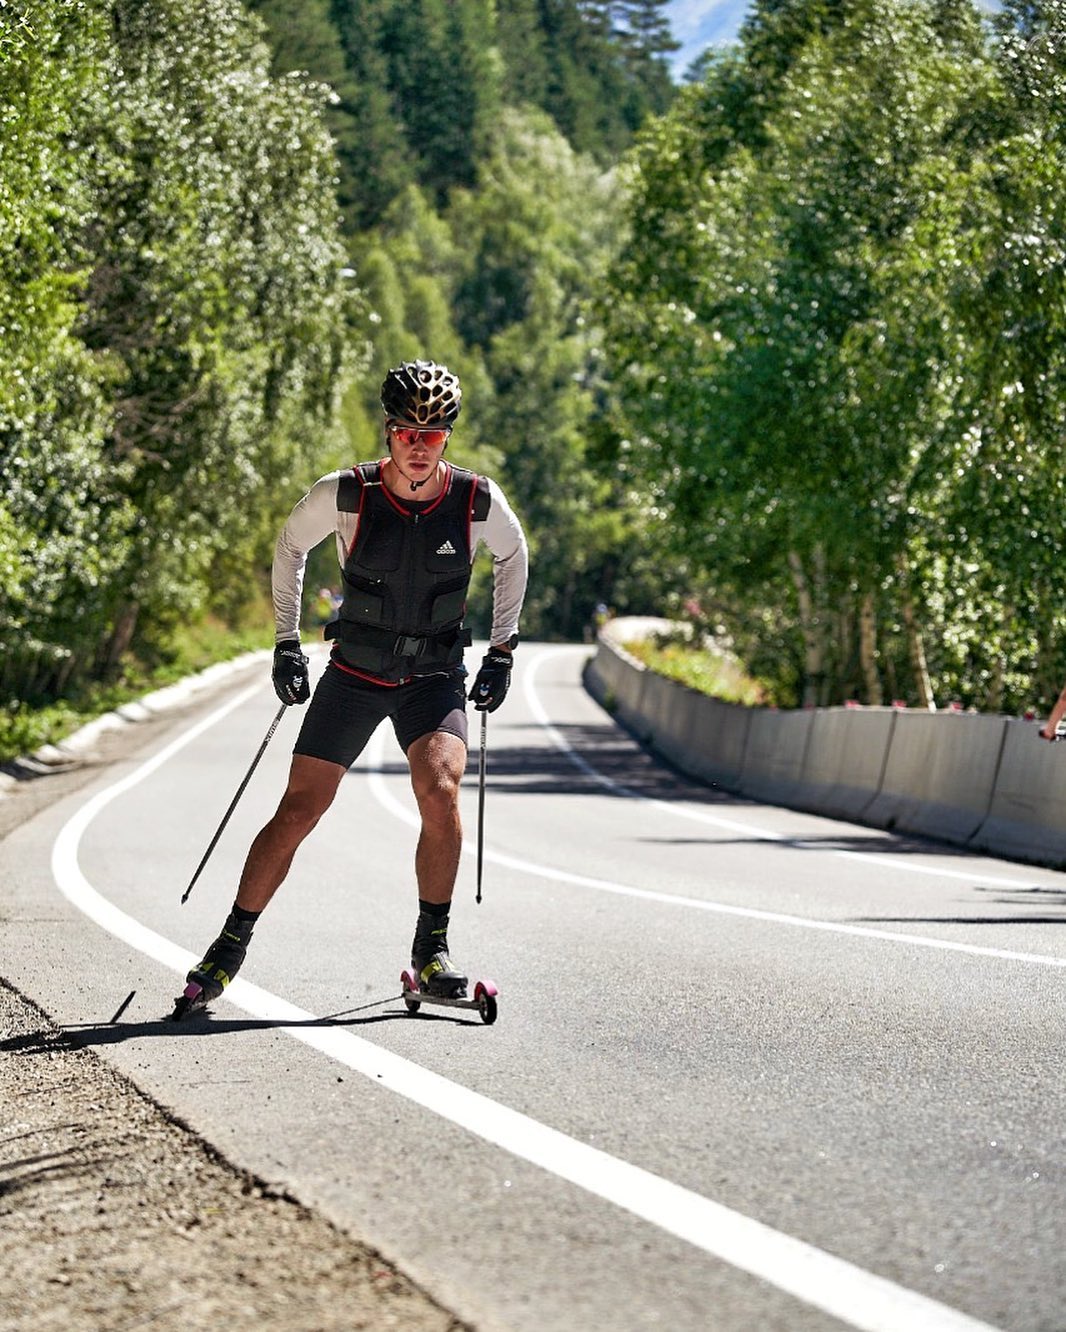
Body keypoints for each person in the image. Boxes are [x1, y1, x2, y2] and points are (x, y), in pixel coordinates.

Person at [181, 360, 528, 1010]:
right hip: (357, 672)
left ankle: (432, 954)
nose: (419, 447)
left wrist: (503, 650)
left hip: (432, 675)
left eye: (433, 435)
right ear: (389, 430)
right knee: (300, 809)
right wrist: (285, 642)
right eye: (407, 433)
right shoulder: (347, 493)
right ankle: (228, 946)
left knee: (442, 788)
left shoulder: (477, 501)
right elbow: (290, 548)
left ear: (446, 438)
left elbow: (514, 556)